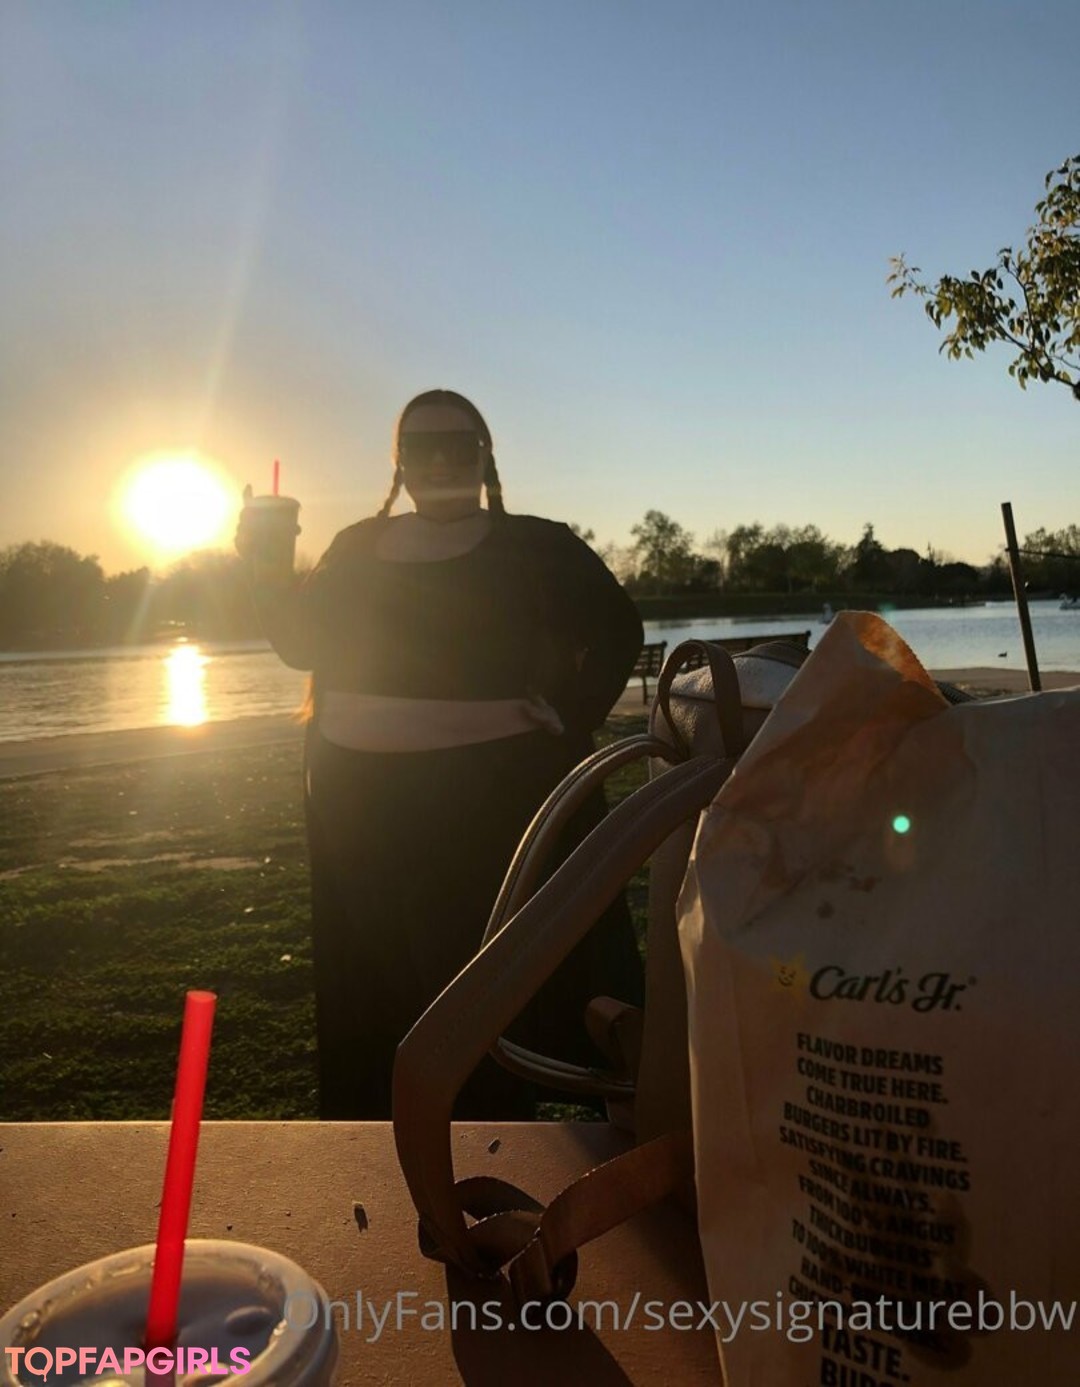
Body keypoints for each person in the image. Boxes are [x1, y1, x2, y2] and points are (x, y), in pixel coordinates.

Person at [239, 389, 644, 1118]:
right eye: (420, 446)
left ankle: (493, 1138)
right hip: (362, 808)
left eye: (458, 444)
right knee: (381, 987)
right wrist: (267, 563)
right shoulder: (356, 545)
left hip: (495, 801)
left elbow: (618, 628)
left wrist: (571, 714)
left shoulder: (538, 545)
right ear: (399, 462)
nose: (439, 460)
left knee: (483, 983)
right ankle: (384, 1146)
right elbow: (303, 644)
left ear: (484, 455)